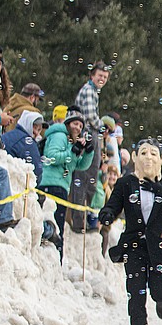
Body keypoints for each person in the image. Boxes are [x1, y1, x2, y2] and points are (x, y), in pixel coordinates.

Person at [98, 141, 162, 325]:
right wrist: (107, 214)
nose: (148, 157)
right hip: (134, 245)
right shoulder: (126, 183)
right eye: (143, 153)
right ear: (135, 157)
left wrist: (157, 189)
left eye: (154, 153)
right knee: (136, 293)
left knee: (158, 290)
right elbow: (113, 205)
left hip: (161, 247)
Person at [37, 111, 95, 261]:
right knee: (54, 226)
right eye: (75, 124)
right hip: (50, 185)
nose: (78, 128)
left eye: (81, 126)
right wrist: (72, 150)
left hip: (61, 187)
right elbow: (52, 156)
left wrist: (88, 152)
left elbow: (80, 165)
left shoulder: (70, 142)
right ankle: (53, 260)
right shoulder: (59, 136)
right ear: (67, 124)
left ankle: (56, 263)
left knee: (58, 227)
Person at [70, 62, 110, 232]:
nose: (102, 79)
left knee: (91, 179)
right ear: (92, 75)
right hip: (87, 134)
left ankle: (85, 219)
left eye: (105, 77)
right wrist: (103, 127)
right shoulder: (88, 90)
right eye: (100, 75)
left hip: (90, 134)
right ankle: (79, 221)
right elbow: (91, 117)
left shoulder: (93, 91)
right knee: (85, 177)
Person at [2, 110, 45, 185]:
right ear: (28, 125)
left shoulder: (10, 135)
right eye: (34, 128)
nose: (37, 133)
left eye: (39, 130)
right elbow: (37, 171)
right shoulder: (27, 142)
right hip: (14, 185)